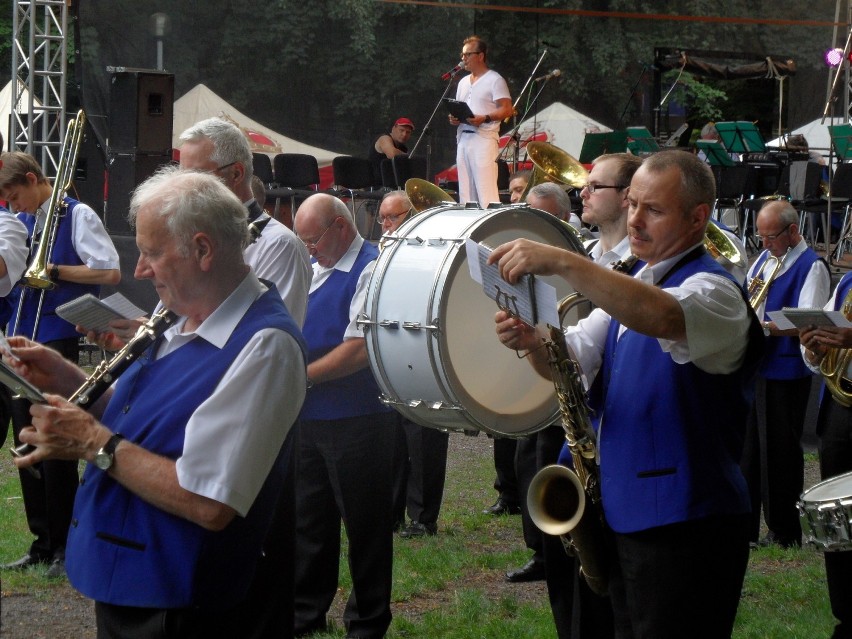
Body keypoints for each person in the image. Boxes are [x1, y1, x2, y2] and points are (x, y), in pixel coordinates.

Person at [7, 167, 307, 637]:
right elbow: (146, 422)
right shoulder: (184, 316)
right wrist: (68, 378)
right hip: (138, 582)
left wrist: (92, 443)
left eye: (151, 253)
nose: (140, 270)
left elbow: (210, 502)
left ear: (203, 250)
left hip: (182, 601)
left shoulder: (264, 344)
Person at [492, 150, 762, 638]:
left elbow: (662, 316)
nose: (634, 220)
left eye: (653, 210)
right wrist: (533, 343)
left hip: (689, 524)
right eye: (632, 204)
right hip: (624, 515)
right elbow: (569, 360)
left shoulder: (716, 292)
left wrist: (560, 259)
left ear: (698, 217)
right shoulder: (634, 284)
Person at [509, 154, 640, 639]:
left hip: (620, 442)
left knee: (615, 600)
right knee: (575, 590)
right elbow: (573, 351)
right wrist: (531, 338)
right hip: (580, 430)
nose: (582, 193)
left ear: (628, 197)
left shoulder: (630, 267)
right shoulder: (593, 255)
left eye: (595, 186)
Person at [0, 151, 121, 580]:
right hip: (19, 335)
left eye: (16, 197)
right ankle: (42, 542)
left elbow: (109, 271)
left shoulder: (76, 213)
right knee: (28, 441)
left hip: (56, 335)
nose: (14, 207)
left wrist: (54, 269)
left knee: (55, 446)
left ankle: (66, 546)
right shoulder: (22, 221)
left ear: (34, 180)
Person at [292, 193, 396, 638]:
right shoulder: (316, 267)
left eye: (313, 239)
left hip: (359, 419)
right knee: (309, 522)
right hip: (310, 418)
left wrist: (296, 378)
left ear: (340, 226)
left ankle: (368, 622)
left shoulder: (371, 267)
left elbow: (357, 351)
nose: (309, 248)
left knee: (366, 527)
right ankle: (305, 614)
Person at [742, 200, 830, 548]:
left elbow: (809, 320)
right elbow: (750, 298)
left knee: (779, 451)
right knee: (750, 449)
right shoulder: (766, 258)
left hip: (787, 370)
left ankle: (784, 529)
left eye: (771, 236)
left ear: (793, 231)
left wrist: (766, 328)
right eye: (760, 236)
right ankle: (746, 526)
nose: (764, 244)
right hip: (757, 364)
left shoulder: (813, 267)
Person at [178, 117, 311, 327]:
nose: (183, 188)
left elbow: (273, 338)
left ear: (236, 173)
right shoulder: (192, 237)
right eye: (181, 177)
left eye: (196, 176)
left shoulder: (280, 246)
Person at [377, 191, 450, 539]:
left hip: (421, 353)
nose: (386, 225)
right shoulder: (379, 255)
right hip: (390, 355)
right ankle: (390, 513)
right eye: (382, 219)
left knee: (423, 439)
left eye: (393, 218)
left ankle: (423, 517)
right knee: (390, 439)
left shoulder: (430, 250)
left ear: (411, 216)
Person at [800, 271, 852, 639]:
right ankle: (846, 609)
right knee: (836, 516)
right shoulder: (848, 283)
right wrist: (815, 349)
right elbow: (821, 356)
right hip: (840, 407)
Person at [449, 36, 513, 207]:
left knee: (485, 188)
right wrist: (455, 117)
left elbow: (507, 109)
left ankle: (489, 225)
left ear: (480, 56)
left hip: (483, 138)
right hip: (463, 138)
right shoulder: (463, 82)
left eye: (467, 55)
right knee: (466, 190)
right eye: (462, 55)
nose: (463, 59)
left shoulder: (495, 79)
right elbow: (461, 107)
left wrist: (485, 117)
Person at [369, 118, 415, 185]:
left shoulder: (403, 148)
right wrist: (408, 156)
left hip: (392, 185)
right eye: (401, 130)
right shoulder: (384, 138)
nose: (404, 134)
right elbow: (392, 154)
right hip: (376, 186)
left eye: (408, 132)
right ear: (393, 129)